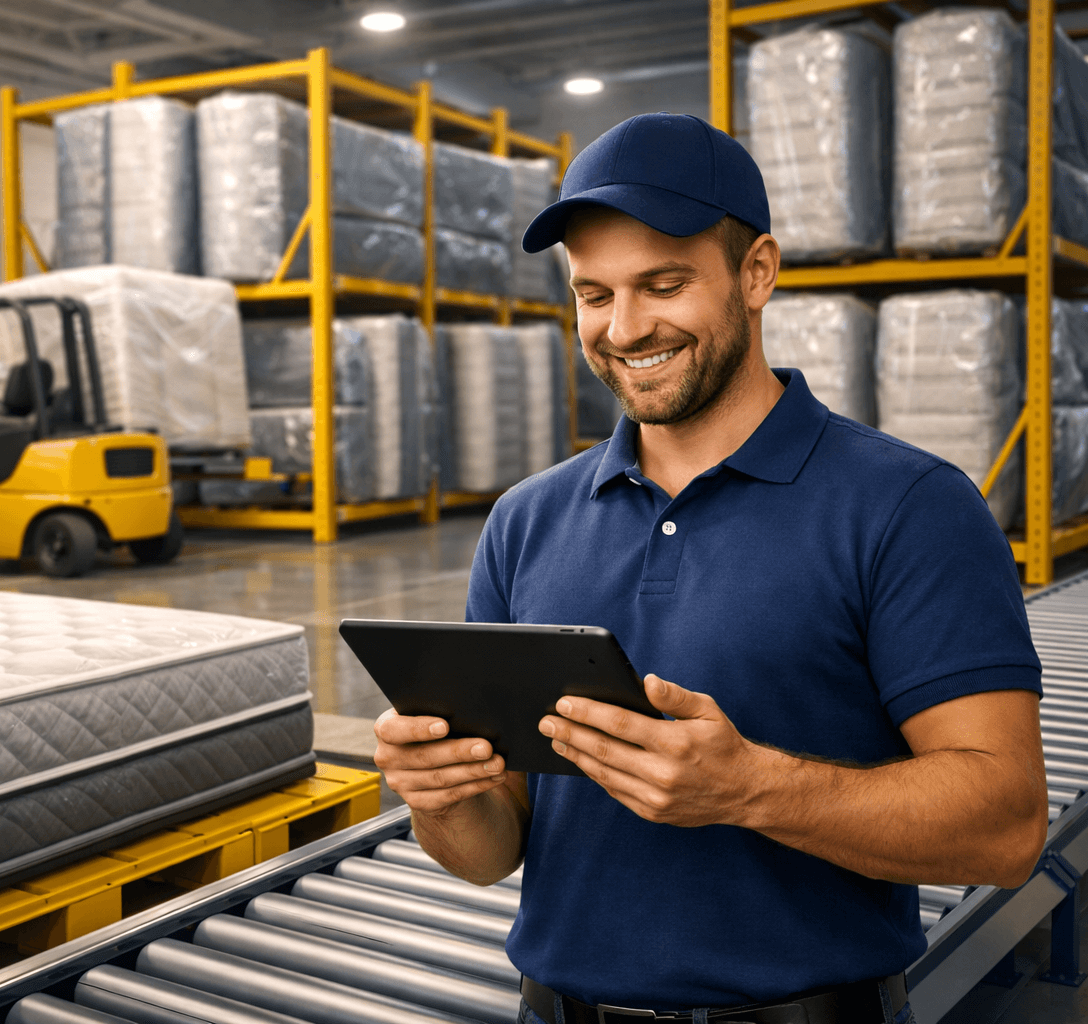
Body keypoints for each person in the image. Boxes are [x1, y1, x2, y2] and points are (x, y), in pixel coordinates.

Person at [373, 112, 1047, 1024]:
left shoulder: (909, 507)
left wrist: (750, 788)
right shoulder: (525, 522)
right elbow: (493, 853)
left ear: (757, 272)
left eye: (663, 284)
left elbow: (1007, 827)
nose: (624, 328)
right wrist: (441, 798)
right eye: (594, 294)